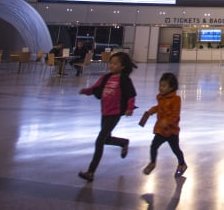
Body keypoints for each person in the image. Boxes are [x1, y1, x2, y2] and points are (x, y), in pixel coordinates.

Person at [77, 52, 138, 181]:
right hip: (105, 111)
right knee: (106, 139)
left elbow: (131, 95)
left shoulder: (124, 79)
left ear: (122, 66)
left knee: (100, 140)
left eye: (115, 63)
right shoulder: (106, 77)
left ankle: (91, 172)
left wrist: (129, 108)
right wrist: (86, 91)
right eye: (111, 63)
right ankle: (123, 142)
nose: (112, 65)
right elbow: (95, 88)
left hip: (115, 113)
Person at [139, 72, 187, 177]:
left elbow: (175, 114)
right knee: (153, 146)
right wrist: (150, 112)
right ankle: (152, 163)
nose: (161, 88)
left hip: (172, 131)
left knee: (175, 149)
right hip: (161, 130)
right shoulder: (160, 97)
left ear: (172, 87)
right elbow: (158, 107)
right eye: (160, 85)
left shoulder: (176, 99)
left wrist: (167, 121)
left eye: (164, 86)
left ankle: (182, 164)